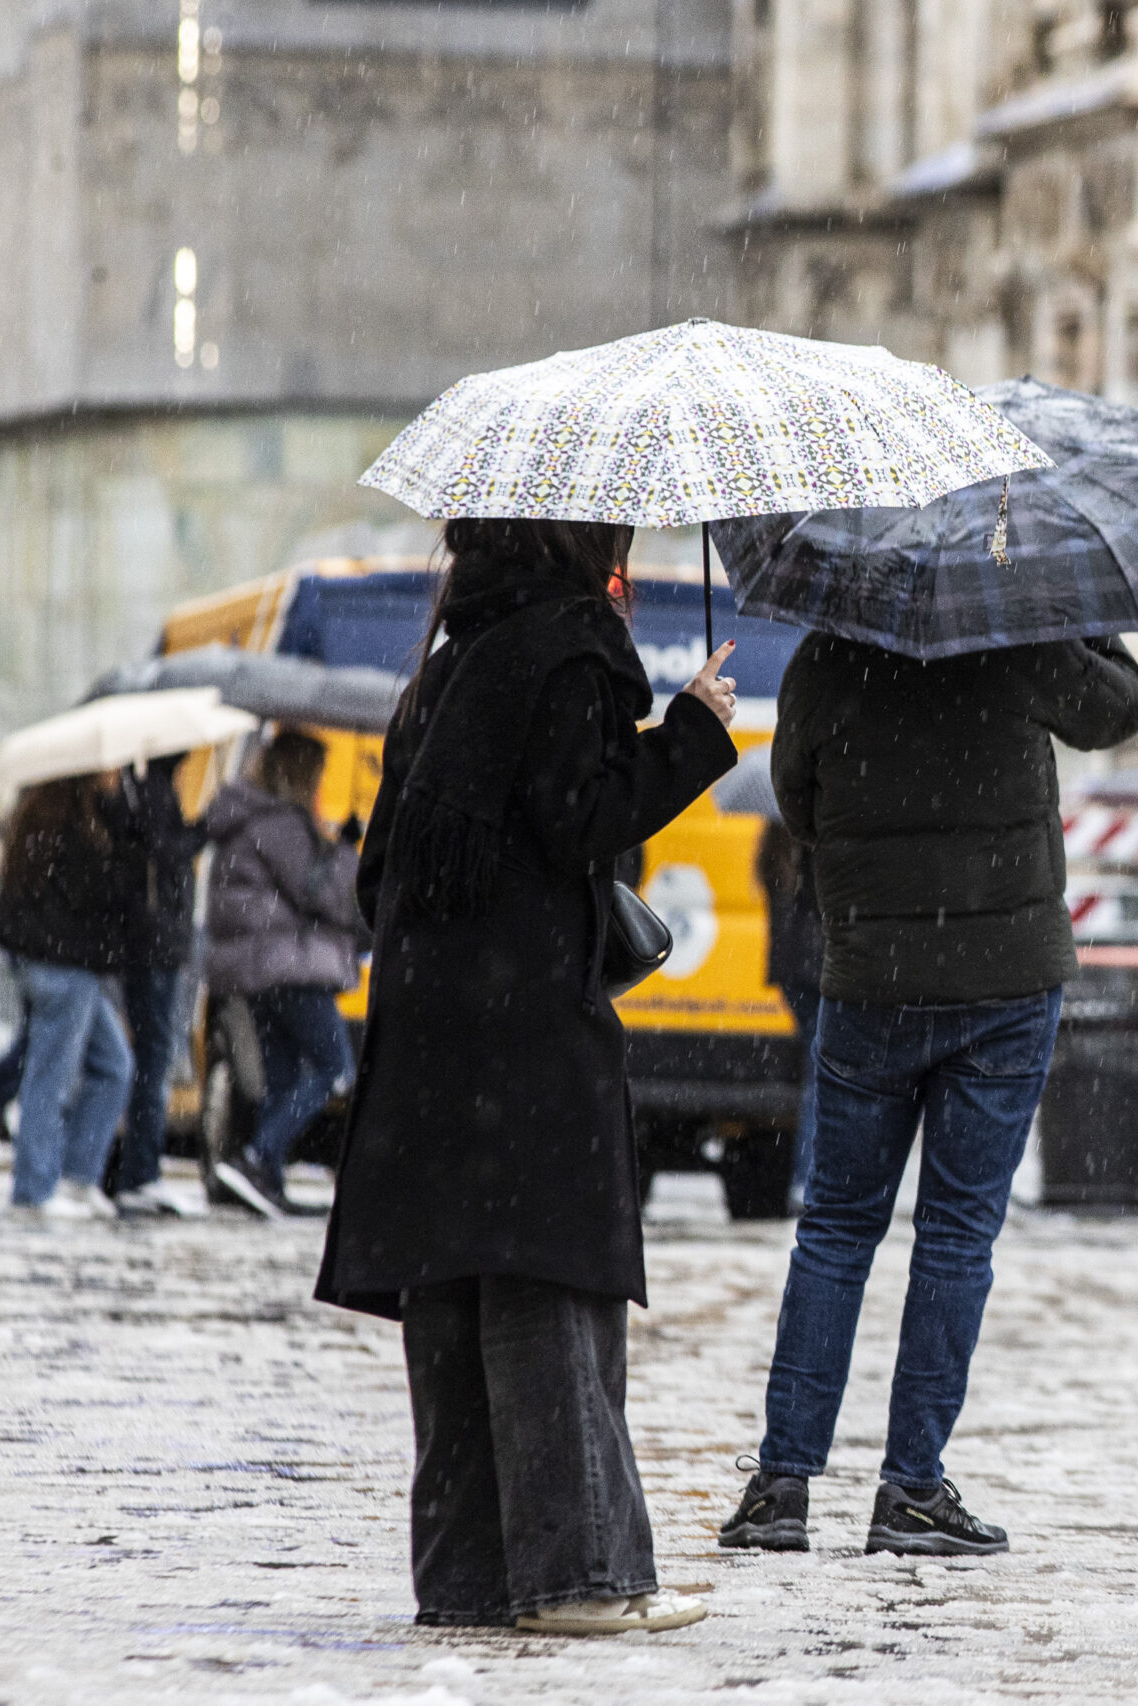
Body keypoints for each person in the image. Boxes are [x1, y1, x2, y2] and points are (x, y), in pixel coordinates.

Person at [315, 517, 739, 1636]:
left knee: (453, 1293)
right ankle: (578, 1574)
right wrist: (689, 731)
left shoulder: (443, 669)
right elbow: (582, 817)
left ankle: (468, 1577)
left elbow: (378, 877)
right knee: (550, 1284)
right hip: (528, 1036)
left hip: (427, 1034)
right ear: (577, 540)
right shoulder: (574, 646)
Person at [716, 630, 1138, 1560]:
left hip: (872, 976)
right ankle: (911, 1487)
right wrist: (1081, 618)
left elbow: (797, 802)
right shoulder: (1018, 635)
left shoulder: (830, 654)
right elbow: (1122, 708)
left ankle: (782, 1485)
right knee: (955, 1237)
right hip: (1005, 980)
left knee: (834, 1230)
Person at [202, 730, 362, 1218]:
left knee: (284, 1075)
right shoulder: (281, 824)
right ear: (299, 774)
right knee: (336, 1070)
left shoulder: (245, 817)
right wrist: (351, 850)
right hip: (290, 969)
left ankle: (265, 1180)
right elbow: (325, 894)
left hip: (253, 972)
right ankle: (256, 1158)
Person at [0, 774, 137, 1220]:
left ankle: (76, 1178)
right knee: (49, 1078)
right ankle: (34, 1189)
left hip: (50, 962)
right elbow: (102, 895)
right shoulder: (72, 829)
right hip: (66, 966)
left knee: (112, 1066)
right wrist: (121, 830)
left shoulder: (35, 820)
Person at [108, 754, 209, 1217]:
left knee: (148, 1056)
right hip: (155, 946)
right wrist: (201, 830)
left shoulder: (145, 789)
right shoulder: (151, 791)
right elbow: (164, 851)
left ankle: (137, 1170)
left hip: (153, 944)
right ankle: (140, 1173)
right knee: (152, 1058)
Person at [754, 816, 822, 1216]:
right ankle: (807, 1179)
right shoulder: (814, 847)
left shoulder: (772, 846)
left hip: (790, 971)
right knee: (822, 1072)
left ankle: (806, 1178)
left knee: (817, 1067)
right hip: (818, 969)